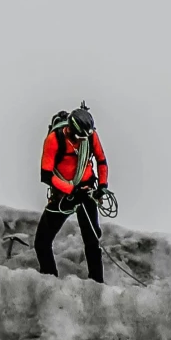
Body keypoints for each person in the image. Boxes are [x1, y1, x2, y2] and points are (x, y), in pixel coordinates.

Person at [34, 103, 112, 283]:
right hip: (64, 195)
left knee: (92, 241)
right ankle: (50, 282)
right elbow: (46, 175)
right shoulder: (54, 140)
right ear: (70, 130)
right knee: (42, 242)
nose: (82, 141)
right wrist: (71, 190)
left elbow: (101, 160)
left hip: (87, 191)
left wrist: (102, 186)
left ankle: (97, 285)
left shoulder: (90, 136)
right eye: (79, 137)